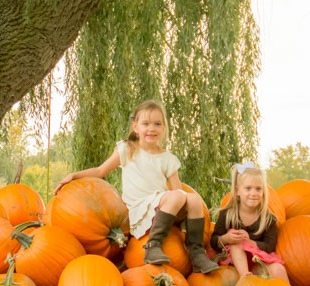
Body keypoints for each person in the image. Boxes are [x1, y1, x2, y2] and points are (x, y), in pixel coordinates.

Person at [56, 100, 213, 272]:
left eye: (157, 124)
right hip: (138, 208)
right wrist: (74, 175)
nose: (151, 128)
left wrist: (185, 208)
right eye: (146, 123)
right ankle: (153, 245)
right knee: (177, 196)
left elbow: (178, 192)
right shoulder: (127, 149)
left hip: (161, 207)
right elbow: (100, 171)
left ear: (164, 128)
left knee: (194, 199)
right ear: (135, 127)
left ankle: (197, 253)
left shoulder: (168, 159)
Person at [210, 161, 287, 281]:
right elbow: (214, 241)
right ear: (237, 191)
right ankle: (245, 278)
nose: (253, 193)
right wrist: (226, 238)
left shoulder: (268, 219)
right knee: (237, 242)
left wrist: (249, 241)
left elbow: (270, 246)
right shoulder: (227, 214)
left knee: (278, 269)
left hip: (258, 262)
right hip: (234, 264)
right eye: (248, 188)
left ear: (263, 192)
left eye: (258, 189)